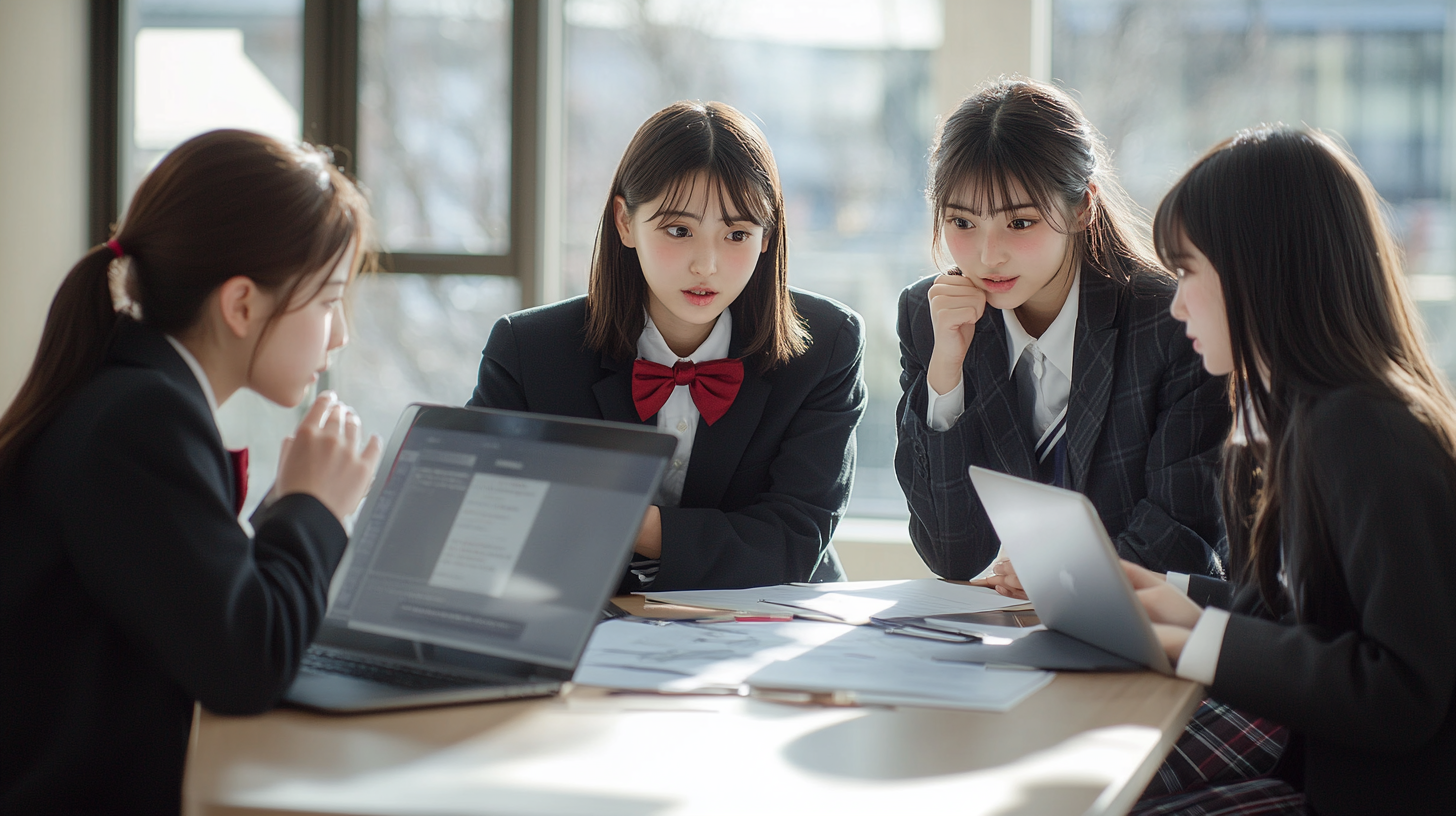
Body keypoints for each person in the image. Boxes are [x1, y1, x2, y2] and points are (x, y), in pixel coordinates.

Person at [0, 129, 383, 815]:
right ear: (241, 304)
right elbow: (244, 665)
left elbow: (203, 608)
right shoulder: (141, 419)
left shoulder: (126, 391)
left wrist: (289, 511)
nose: (339, 336)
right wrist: (313, 508)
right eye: (328, 302)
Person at [1128, 126, 1456, 815]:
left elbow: (1402, 691)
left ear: (1262, 272)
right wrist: (1174, 597)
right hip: (1315, 762)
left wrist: (1191, 643)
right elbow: (1292, 613)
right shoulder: (1286, 419)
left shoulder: (1368, 430)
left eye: (1188, 271)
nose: (1176, 303)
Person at [469, 101, 866, 592]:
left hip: (769, 621)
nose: (707, 264)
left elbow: (790, 545)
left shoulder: (825, 345)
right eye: (679, 230)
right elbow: (479, 517)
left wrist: (626, 520)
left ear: (768, 238)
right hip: (585, 622)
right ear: (624, 222)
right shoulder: (529, 351)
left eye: (737, 233)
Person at [896, 78, 1230, 582]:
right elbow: (952, 553)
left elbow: (1185, 540)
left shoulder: (1171, 321)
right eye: (962, 223)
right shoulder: (933, 314)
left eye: (1020, 223)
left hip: (1150, 638)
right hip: (1016, 632)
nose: (988, 255)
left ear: (1081, 207)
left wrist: (1057, 574)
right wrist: (946, 375)